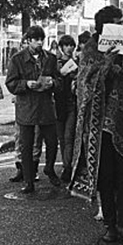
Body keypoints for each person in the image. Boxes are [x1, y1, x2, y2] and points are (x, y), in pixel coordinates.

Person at [72, 6, 123, 244]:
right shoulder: (90, 50)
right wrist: (106, 65)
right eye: (119, 22)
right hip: (99, 127)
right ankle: (111, 225)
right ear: (106, 27)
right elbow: (84, 85)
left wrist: (122, 69)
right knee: (105, 177)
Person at [6, 25, 62, 194]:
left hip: (45, 106)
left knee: (52, 142)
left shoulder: (51, 58)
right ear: (28, 41)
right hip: (27, 107)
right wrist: (26, 84)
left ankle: (49, 168)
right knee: (26, 146)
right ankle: (28, 181)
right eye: (36, 40)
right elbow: (11, 83)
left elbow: (59, 80)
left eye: (41, 40)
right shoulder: (17, 59)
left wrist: (53, 82)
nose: (39, 43)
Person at [55, 35, 79, 183]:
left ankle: (67, 167)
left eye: (71, 45)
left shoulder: (77, 63)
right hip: (58, 104)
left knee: (69, 137)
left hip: (71, 103)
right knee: (62, 138)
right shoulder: (56, 64)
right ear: (61, 47)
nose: (69, 48)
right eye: (67, 45)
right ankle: (66, 164)